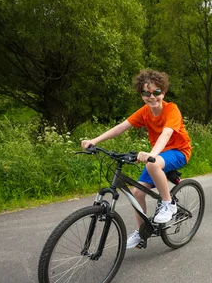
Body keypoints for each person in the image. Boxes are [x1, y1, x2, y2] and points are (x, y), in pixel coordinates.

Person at [81, 69, 192, 249]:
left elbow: (166, 134)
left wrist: (152, 155)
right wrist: (95, 140)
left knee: (152, 165)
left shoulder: (172, 110)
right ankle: (142, 234)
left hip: (179, 151)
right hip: (158, 154)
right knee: (137, 193)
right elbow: (121, 127)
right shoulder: (144, 112)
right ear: (141, 95)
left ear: (163, 92)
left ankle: (168, 203)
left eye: (156, 92)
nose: (152, 97)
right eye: (146, 93)